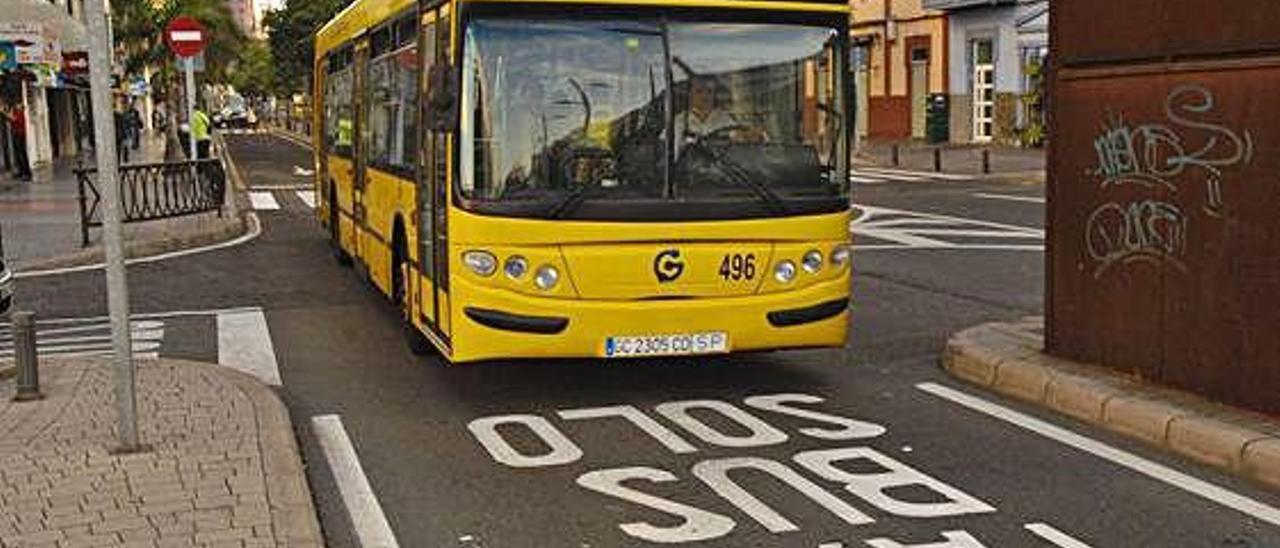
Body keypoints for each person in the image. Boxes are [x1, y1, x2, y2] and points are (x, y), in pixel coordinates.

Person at [5, 102, 31, 181]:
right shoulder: (17, 112)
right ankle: (21, 171)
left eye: (17, 105)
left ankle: (27, 173)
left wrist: (5, 112)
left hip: (20, 134)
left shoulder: (20, 113)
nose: (16, 106)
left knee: (22, 153)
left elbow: (14, 119)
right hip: (16, 134)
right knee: (17, 153)